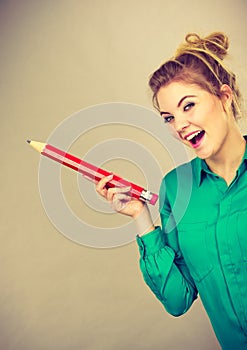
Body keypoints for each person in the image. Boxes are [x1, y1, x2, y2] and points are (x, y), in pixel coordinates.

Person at [95, 32, 247, 349]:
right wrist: (140, 216)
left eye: (188, 106)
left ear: (224, 97)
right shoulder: (176, 188)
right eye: (169, 117)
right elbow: (177, 299)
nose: (179, 125)